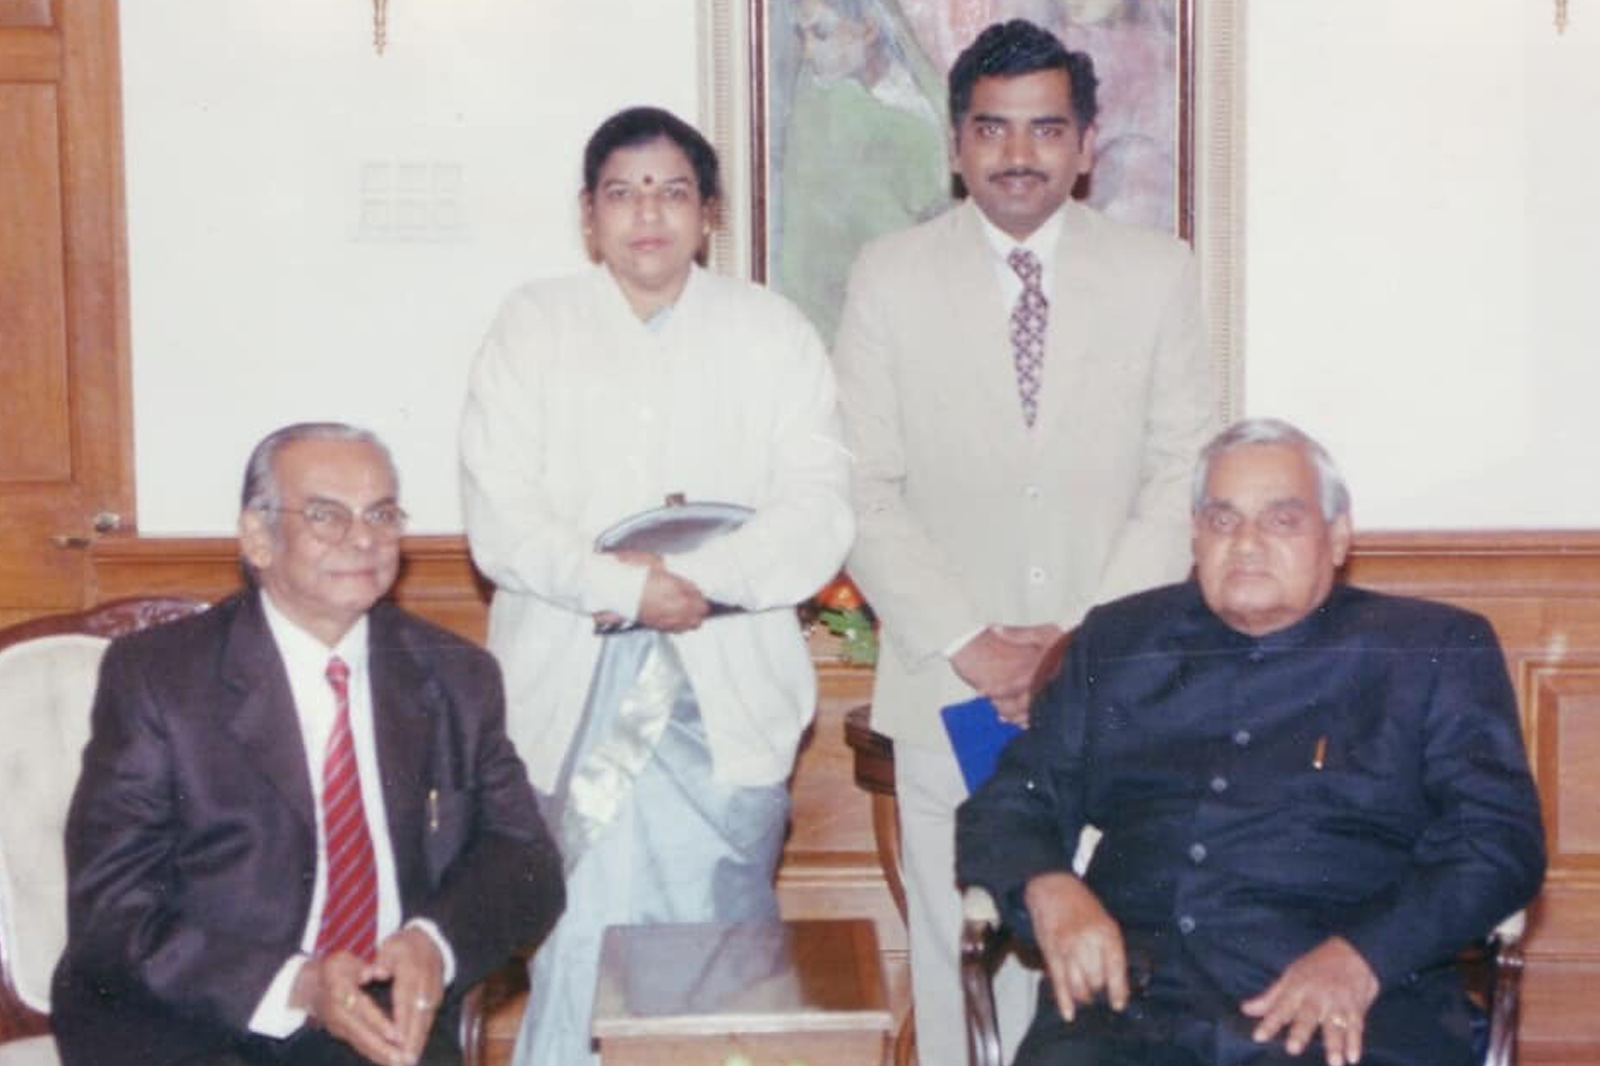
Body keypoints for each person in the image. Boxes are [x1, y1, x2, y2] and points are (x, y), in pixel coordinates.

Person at [831, 18, 1216, 1064]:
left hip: (1117, 689)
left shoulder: (1157, 272)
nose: (1017, 154)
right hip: (950, 686)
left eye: (1046, 129)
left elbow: (1181, 469)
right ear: (955, 143)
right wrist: (973, 641)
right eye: (992, 129)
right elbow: (859, 483)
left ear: (1086, 145)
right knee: (961, 969)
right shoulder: (889, 275)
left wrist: (1079, 645)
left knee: (1110, 970)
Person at [957, 419, 1547, 1066]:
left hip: (1347, 1008)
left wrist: (1365, 958)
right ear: (1195, 534)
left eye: (1282, 520)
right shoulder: (1119, 642)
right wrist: (1047, 885)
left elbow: (1497, 842)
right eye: (1223, 519)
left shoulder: (1428, 651)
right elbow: (1008, 804)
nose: (1246, 544)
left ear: (1338, 536)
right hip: (1130, 1011)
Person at [459, 106, 854, 1066]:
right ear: (587, 215)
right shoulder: (534, 324)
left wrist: (696, 582)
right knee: (575, 939)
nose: (648, 214)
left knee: (718, 951)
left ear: (708, 213)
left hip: (725, 690)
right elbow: (500, 516)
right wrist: (624, 590)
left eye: (673, 191)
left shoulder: (770, 330)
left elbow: (818, 511)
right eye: (623, 192)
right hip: (571, 682)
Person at [52, 422, 564, 1066]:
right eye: (326, 515)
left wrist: (434, 941)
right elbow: (113, 908)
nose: (363, 538)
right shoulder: (160, 679)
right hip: (203, 1024)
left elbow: (525, 859)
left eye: (382, 514)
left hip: (381, 1026)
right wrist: (297, 984)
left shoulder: (455, 676)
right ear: (257, 538)